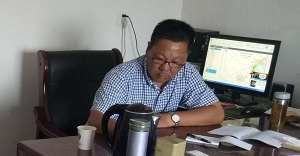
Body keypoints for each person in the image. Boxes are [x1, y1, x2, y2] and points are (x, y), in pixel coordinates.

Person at [87, 19, 224, 133]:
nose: (165, 68)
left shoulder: (187, 72)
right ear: (148, 48)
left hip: (161, 146)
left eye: (175, 62)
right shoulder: (122, 76)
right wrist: (137, 133)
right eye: (159, 59)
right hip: (118, 146)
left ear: (186, 57)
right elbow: (96, 120)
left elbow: (216, 113)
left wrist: (168, 119)